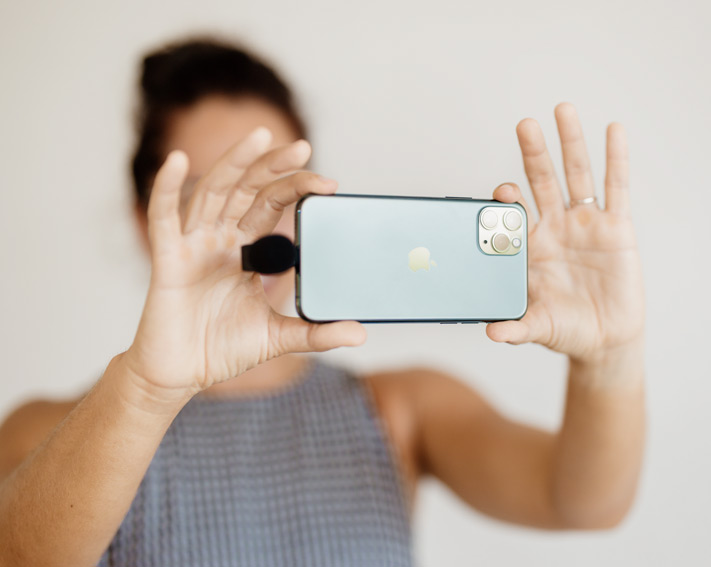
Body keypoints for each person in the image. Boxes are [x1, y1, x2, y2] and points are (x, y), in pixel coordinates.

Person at [0, 38, 646, 566]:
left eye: (273, 188)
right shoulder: (43, 433)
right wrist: (146, 389)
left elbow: (582, 503)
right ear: (145, 219)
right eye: (217, 190)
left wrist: (609, 360)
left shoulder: (400, 407)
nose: (254, 223)